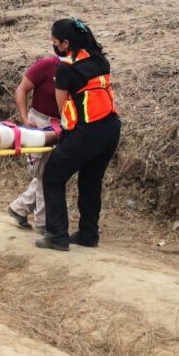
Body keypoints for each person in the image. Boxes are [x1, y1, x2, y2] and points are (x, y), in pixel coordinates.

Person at [36, 18, 122, 252]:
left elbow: (62, 107)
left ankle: (57, 235)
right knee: (91, 181)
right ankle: (88, 234)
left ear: (65, 44)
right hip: (111, 129)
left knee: (53, 176)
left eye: (54, 42)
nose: (53, 46)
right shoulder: (100, 60)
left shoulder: (65, 69)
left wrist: (63, 136)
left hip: (87, 131)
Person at [8, 55, 60, 234]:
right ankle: (42, 222)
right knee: (44, 173)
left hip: (61, 125)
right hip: (39, 123)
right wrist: (24, 118)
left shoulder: (76, 67)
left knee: (48, 172)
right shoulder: (47, 65)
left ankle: (19, 208)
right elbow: (22, 89)